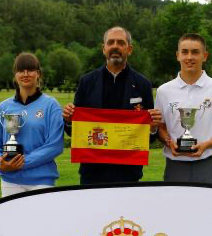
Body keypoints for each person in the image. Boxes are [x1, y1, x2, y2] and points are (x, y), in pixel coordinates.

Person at [62, 26, 162, 185]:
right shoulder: (87, 82)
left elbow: (148, 138)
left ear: (129, 49)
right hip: (92, 172)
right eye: (111, 42)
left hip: (128, 173)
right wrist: (68, 119)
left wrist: (153, 127)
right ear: (104, 48)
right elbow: (74, 130)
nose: (115, 46)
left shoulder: (142, 84)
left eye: (121, 43)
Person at [155, 33, 212, 184]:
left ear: (205, 56)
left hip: (207, 164)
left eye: (195, 52)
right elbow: (160, 128)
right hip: (175, 165)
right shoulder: (163, 91)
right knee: (175, 207)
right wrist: (168, 141)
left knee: (208, 207)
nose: (189, 57)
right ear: (178, 55)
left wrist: (206, 145)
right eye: (185, 52)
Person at [0, 53, 64, 197]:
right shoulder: (3, 108)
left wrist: (21, 162)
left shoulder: (50, 105)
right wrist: (1, 165)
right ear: (15, 75)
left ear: (38, 74)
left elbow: (55, 146)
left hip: (41, 180)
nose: (25, 74)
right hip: (10, 180)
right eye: (20, 70)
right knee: (13, 220)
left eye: (30, 70)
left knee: (40, 220)